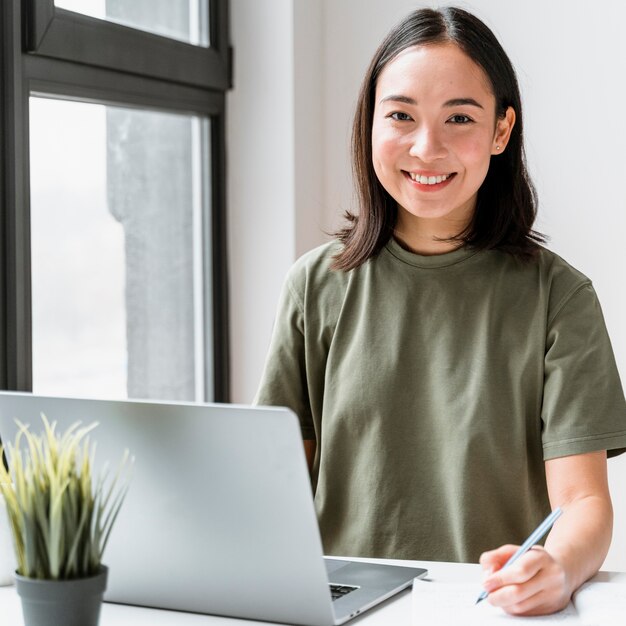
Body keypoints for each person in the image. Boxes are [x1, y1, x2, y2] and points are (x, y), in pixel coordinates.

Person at [254, 6, 626, 617]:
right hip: (336, 608)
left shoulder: (560, 298)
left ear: (502, 132)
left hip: (488, 609)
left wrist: (556, 568)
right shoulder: (313, 286)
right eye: (400, 115)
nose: (427, 148)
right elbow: (271, 490)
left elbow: (584, 503)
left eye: (459, 118)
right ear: (370, 123)